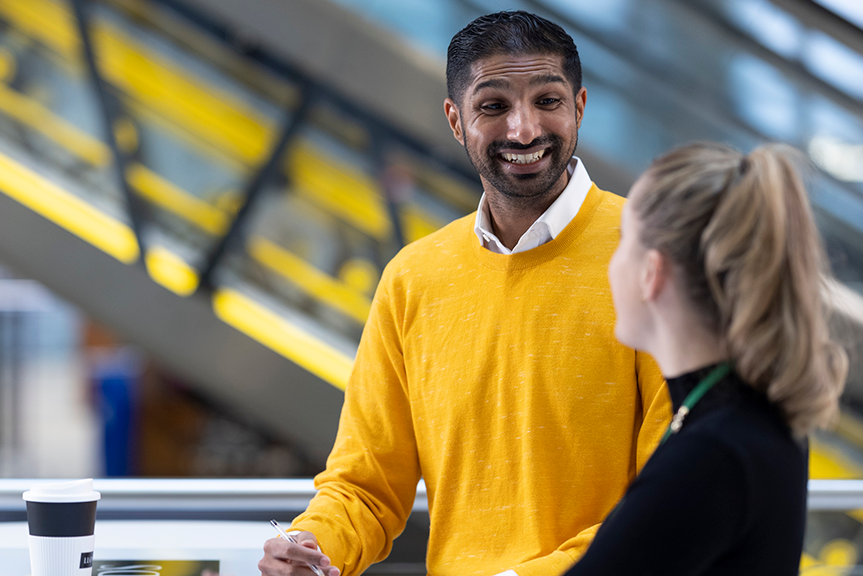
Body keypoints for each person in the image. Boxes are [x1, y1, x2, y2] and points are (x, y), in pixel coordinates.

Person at [258, 11, 672, 576]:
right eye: (493, 106)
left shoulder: (655, 257)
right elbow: (366, 487)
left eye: (547, 101)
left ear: (578, 107)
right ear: (456, 120)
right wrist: (311, 546)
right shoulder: (413, 279)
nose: (523, 130)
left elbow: (669, 501)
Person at [563, 142, 847, 574]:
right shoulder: (746, 417)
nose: (610, 265)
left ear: (651, 273)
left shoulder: (712, 457)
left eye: (622, 242)